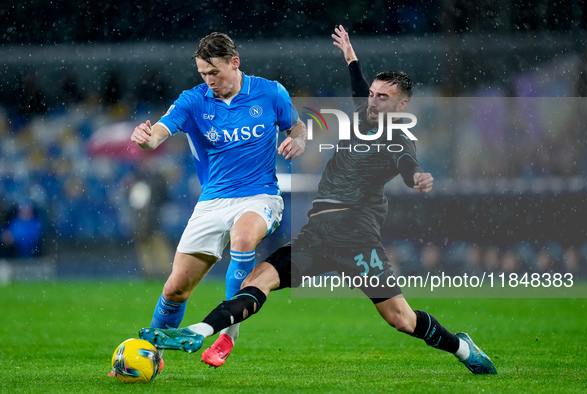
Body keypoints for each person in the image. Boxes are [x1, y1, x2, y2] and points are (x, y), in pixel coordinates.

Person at [139, 26, 497, 375]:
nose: (371, 100)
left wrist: (417, 177)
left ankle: (462, 347)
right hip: (318, 236)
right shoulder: (364, 117)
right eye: (371, 95)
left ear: (402, 106)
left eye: (382, 98)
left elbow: (407, 165)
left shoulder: (399, 141)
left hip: (358, 242)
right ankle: (203, 332)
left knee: (401, 319)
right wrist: (351, 58)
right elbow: (359, 92)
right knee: (257, 281)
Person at [130, 32, 307, 370]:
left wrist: (299, 141)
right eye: (203, 74)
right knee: (176, 289)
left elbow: (297, 129)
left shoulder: (270, 93)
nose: (209, 81)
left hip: (260, 195)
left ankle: (226, 335)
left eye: (215, 73)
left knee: (243, 237)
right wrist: (145, 138)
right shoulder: (193, 100)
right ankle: (150, 353)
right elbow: (159, 133)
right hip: (213, 202)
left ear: (235, 63)